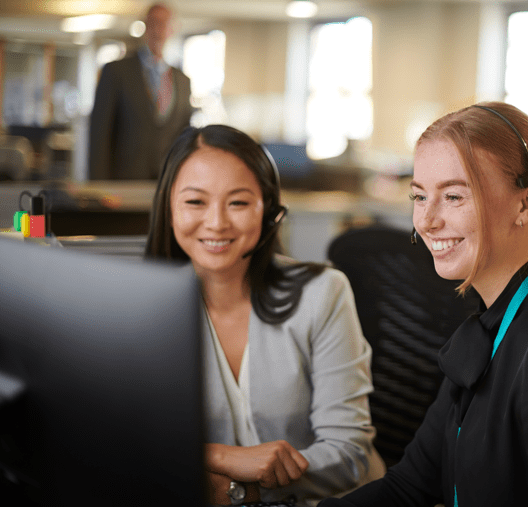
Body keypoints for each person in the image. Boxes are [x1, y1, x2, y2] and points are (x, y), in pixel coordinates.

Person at [320, 101, 528, 506]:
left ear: (527, 204)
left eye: (453, 197)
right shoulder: (489, 327)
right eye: (420, 197)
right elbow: (408, 488)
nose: (427, 220)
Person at [144, 125, 385, 506]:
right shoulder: (143, 312)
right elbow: (132, 444)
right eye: (195, 202)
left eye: (238, 203)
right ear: (169, 207)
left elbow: (349, 453)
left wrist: (240, 489)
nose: (217, 223)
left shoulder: (322, 293)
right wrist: (222, 456)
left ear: (269, 211)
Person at [88, 2, 194, 180]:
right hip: (124, 180)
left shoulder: (183, 81)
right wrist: (99, 185)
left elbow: (184, 137)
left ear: (173, 29)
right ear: (144, 27)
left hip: (167, 180)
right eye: (153, 22)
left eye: (164, 24)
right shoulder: (116, 71)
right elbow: (100, 133)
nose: (158, 30)